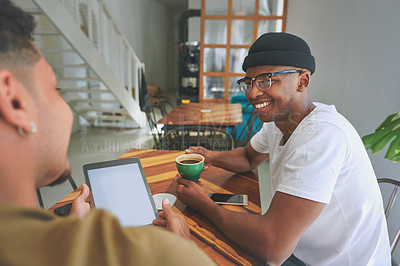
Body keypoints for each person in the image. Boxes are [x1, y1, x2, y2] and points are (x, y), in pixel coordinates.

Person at [0, 1, 214, 265]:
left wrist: (72, 229)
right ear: (13, 102)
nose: (66, 107)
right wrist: (182, 249)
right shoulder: (154, 253)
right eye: (55, 89)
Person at [175, 32, 391, 265]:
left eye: (266, 80)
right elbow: (248, 157)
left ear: (302, 81)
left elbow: (273, 246)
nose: (252, 93)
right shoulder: (281, 120)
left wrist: (205, 205)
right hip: (299, 246)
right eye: (249, 82)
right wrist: (211, 157)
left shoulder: (322, 136)